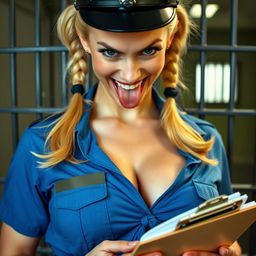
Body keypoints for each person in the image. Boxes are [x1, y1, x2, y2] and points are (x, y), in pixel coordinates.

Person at [0, 0, 242, 255]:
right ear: (84, 39)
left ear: (169, 38)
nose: (130, 75)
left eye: (148, 51)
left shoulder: (205, 140)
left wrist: (231, 251)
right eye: (110, 52)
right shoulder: (43, 143)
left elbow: (225, 236)